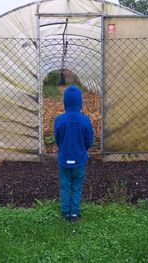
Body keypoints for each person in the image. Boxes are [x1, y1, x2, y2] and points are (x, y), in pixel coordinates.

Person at [54, 85, 94, 222]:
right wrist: (82, 149)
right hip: (79, 159)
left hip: (64, 159)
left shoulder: (59, 120)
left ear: (65, 102)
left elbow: (57, 139)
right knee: (76, 187)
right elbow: (89, 140)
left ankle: (65, 213)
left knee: (65, 186)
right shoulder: (85, 120)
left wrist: (64, 147)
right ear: (80, 102)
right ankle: (74, 213)